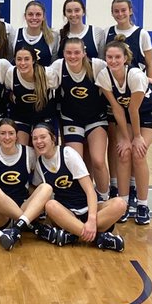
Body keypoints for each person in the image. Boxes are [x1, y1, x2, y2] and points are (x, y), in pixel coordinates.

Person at [96, 40, 152, 226]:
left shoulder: (135, 76)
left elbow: (134, 110)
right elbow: (117, 109)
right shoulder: (104, 76)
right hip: (125, 113)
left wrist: (137, 137)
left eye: (117, 57)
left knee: (138, 154)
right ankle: (123, 203)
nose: (113, 60)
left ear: (125, 58)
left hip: (148, 112)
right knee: (123, 153)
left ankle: (142, 205)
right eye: (109, 57)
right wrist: (125, 138)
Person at [30, 123, 126, 251]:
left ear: (53, 138)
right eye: (35, 138)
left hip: (90, 209)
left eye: (43, 137)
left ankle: (75, 233)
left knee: (120, 204)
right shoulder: (39, 165)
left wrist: (91, 219)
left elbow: (90, 190)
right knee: (50, 205)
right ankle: (99, 238)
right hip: (68, 214)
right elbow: (36, 191)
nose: (39, 141)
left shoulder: (68, 154)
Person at [106, 0, 152, 206]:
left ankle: (139, 196)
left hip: (138, 96)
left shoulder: (141, 34)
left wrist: (149, 81)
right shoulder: (108, 34)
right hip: (119, 95)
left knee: (137, 150)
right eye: (116, 11)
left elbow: (149, 61)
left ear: (130, 11)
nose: (120, 14)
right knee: (120, 148)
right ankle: (122, 193)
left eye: (123, 10)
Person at [49, 37, 110, 193]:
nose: (73, 56)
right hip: (71, 120)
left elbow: (119, 72)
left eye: (77, 52)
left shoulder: (97, 66)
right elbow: (39, 77)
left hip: (96, 119)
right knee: (75, 162)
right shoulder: (58, 66)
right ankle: (79, 197)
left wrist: (146, 79)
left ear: (84, 53)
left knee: (97, 160)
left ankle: (103, 196)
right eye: (69, 53)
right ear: (63, 53)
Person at [0, 118, 53, 251]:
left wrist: (41, 201)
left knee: (46, 187)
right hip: (1, 216)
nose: (7, 137)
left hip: (25, 208)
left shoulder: (29, 153)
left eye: (11, 133)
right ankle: (33, 227)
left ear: (17, 136)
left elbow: (36, 183)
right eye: (3, 133)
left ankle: (18, 228)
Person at [4, 43, 59, 144]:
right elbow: (9, 92)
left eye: (26, 59)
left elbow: (57, 92)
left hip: (44, 117)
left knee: (42, 148)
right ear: (14, 60)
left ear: (33, 60)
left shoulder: (48, 74)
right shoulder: (11, 74)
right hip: (21, 116)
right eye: (19, 59)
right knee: (20, 149)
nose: (22, 63)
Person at [11, 0, 57, 67]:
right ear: (25, 16)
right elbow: (10, 61)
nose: (34, 18)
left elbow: (54, 65)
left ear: (43, 17)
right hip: (20, 77)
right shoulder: (15, 35)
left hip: (44, 77)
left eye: (38, 14)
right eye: (30, 14)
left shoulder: (53, 37)